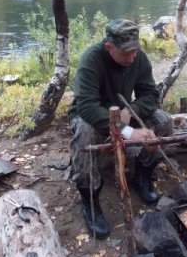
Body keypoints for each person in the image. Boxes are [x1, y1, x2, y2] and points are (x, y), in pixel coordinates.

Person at [68, 19, 173, 238]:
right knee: (86, 134)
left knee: (163, 122)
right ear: (109, 46)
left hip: (123, 112)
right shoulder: (92, 59)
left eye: (135, 51)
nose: (131, 58)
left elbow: (150, 95)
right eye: (125, 53)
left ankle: (142, 176)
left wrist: (132, 108)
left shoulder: (137, 58)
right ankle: (90, 201)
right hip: (92, 116)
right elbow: (86, 107)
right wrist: (126, 131)